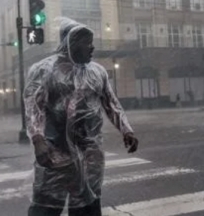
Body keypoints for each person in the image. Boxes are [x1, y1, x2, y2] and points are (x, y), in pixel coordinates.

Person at [24, 17, 139, 216]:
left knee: (88, 205)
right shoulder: (44, 70)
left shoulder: (97, 72)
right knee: (46, 206)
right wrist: (38, 139)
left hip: (89, 153)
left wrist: (126, 130)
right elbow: (34, 107)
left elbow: (111, 103)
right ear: (70, 43)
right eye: (87, 43)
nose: (92, 48)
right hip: (54, 152)